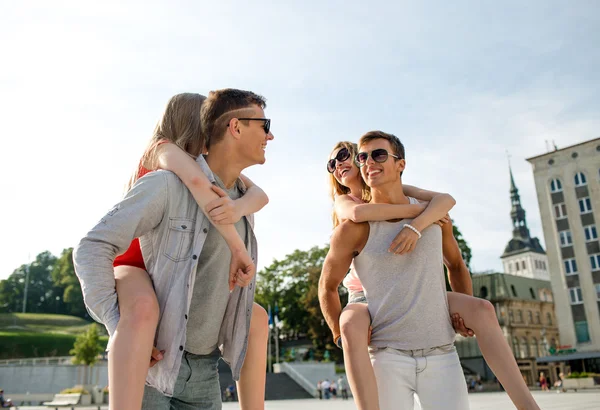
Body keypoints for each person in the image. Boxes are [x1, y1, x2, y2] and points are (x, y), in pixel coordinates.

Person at [74, 88, 274, 410]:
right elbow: (93, 247)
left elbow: (256, 195)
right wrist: (120, 326)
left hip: (203, 370)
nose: (271, 135)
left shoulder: (240, 200)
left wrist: (238, 212)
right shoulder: (166, 173)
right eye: (263, 125)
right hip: (137, 285)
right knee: (141, 311)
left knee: (257, 316)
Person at [320, 132, 541, 410]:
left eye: (377, 155)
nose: (366, 163)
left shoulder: (432, 214)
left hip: (440, 351)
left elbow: (456, 262)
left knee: (483, 309)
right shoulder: (350, 218)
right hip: (376, 328)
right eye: (363, 157)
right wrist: (338, 335)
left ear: (401, 164)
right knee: (350, 324)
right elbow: (328, 283)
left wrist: (463, 318)